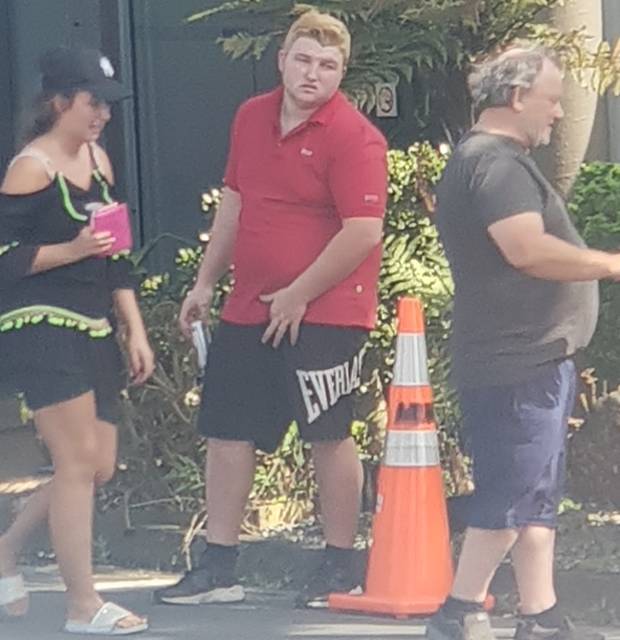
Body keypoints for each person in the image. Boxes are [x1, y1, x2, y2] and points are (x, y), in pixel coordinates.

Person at [155, 9, 387, 609]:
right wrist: (205, 282)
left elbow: (362, 231)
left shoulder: (355, 136)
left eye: (328, 65)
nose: (314, 74)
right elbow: (234, 201)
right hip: (249, 306)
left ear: (342, 72)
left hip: (329, 311)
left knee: (327, 434)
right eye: (304, 59)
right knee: (227, 431)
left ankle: (340, 565)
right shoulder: (251, 116)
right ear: (282, 59)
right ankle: (219, 565)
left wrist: (301, 293)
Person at [427, 43, 616, 640]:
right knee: (514, 489)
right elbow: (525, 249)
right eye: (551, 100)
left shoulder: (485, 160)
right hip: (517, 359)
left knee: (535, 491)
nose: (558, 114)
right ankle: (458, 608)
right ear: (515, 97)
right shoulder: (497, 164)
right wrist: (610, 264)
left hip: (529, 356)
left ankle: (540, 614)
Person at [0, 47, 154, 634]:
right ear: (60, 101)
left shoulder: (100, 161)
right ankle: (82, 604)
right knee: (75, 460)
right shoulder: (30, 168)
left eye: (107, 106)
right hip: (38, 324)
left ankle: (7, 546)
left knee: (99, 465)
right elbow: (5, 258)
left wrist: (134, 327)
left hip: (92, 323)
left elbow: (114, 254)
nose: (102, 116)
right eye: (93, 103)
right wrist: (71, 251)